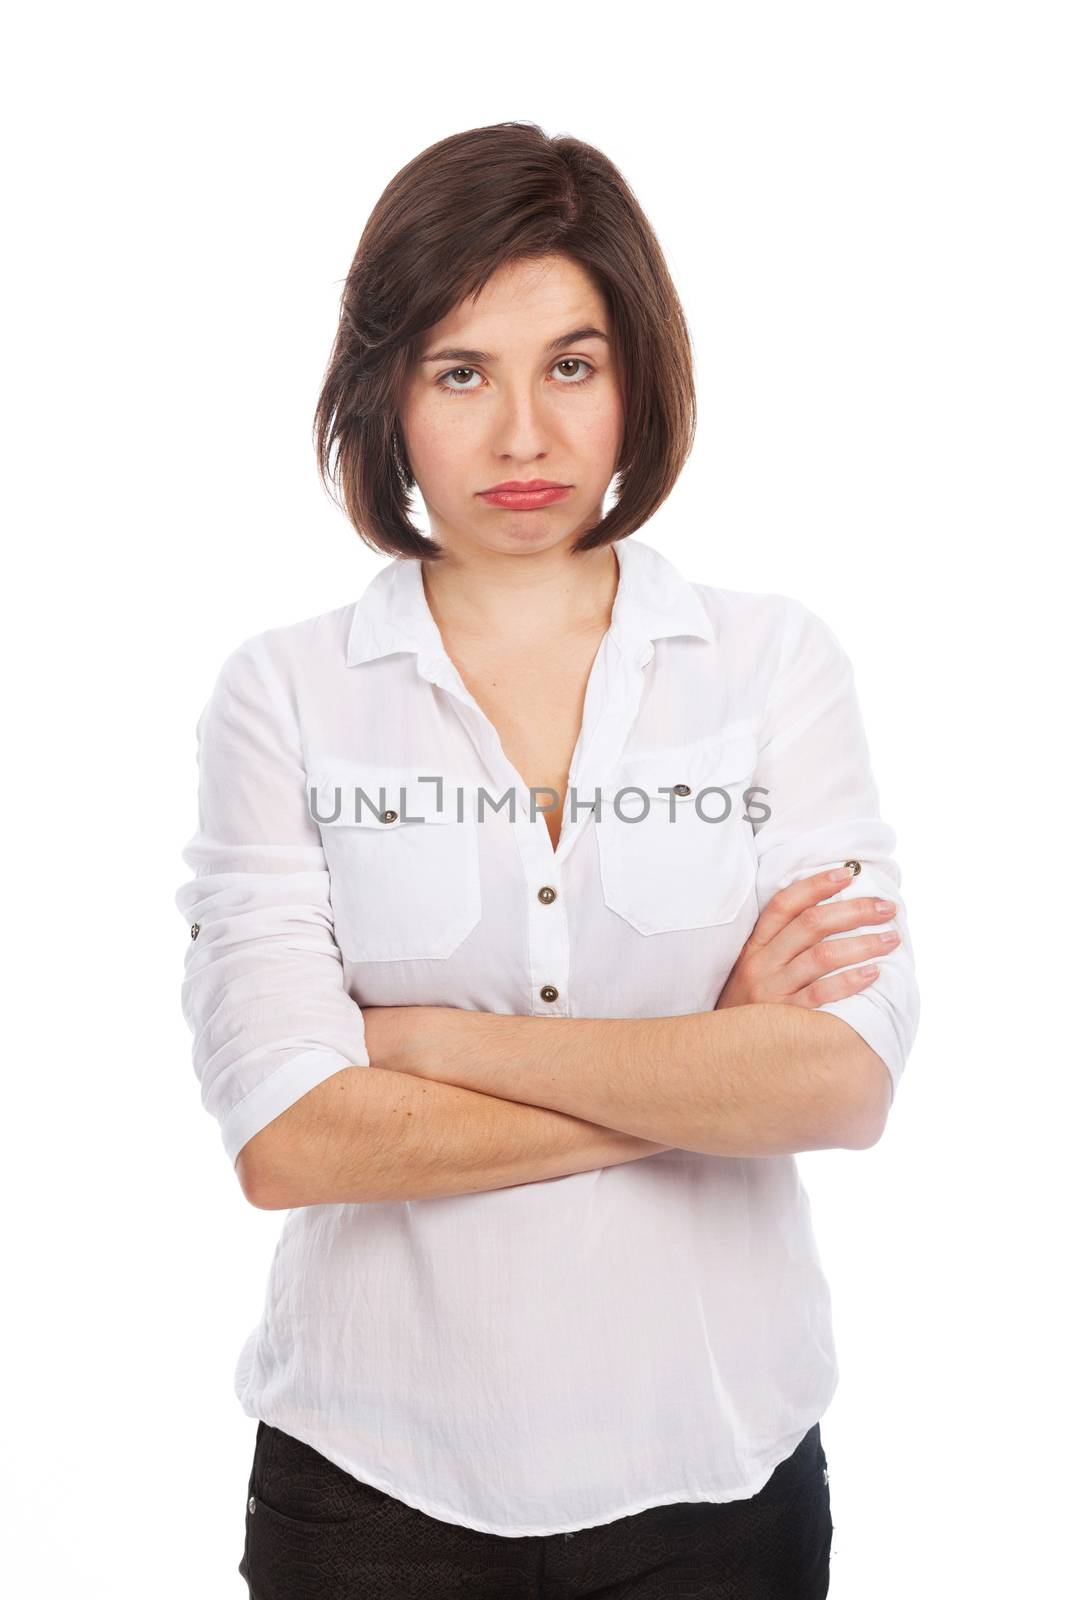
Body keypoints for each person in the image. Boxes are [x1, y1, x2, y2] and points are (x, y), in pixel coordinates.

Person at [176, 121, 919, 1599]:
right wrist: (704, 1071)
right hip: (371, 1489)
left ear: (638, 379)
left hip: (718, 1478)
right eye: (463, 371)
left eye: (570, 366)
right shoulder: (285, 693)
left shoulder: (771, 666)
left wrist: (430, 1045)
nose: (523, 436)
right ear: (386, 394)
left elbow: (838, 1083)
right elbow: (290, 1139)